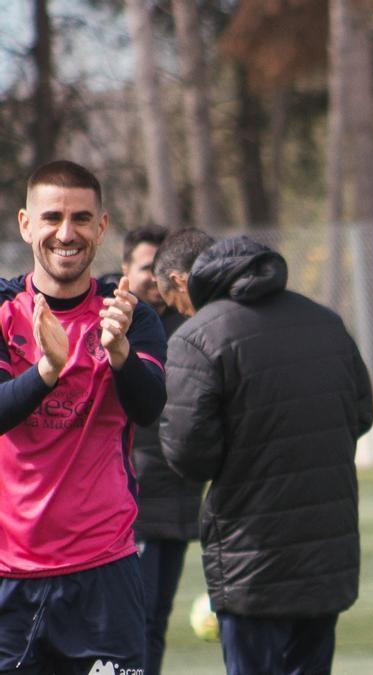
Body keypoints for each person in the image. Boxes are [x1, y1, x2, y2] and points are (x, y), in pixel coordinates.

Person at [156, 233, 373, 675]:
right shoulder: (325, 322)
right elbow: (361, 414)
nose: (180, 312)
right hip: (325, 546)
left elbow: (189, 454)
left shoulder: (196, 338)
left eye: (175, 302)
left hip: (250, 551)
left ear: (187, 282)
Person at [0, 160, 166, 674]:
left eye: (81, 218)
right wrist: (48, 369)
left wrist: (120, 355)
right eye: (52, 217)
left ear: (102, 226)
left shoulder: (130, 316)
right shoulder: (3, 310)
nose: (66, 233)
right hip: (10, 576)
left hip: (104, 574)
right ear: (26, 224)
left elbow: (149, 408)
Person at [120, 224, 203, 675]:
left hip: (180, 495)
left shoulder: (188, 323)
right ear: (125, 268)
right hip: (137, 500)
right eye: (144, 267)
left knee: (156, 620)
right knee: (134, 622)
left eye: (160, 269)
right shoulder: (114, 323)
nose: (153, 278)